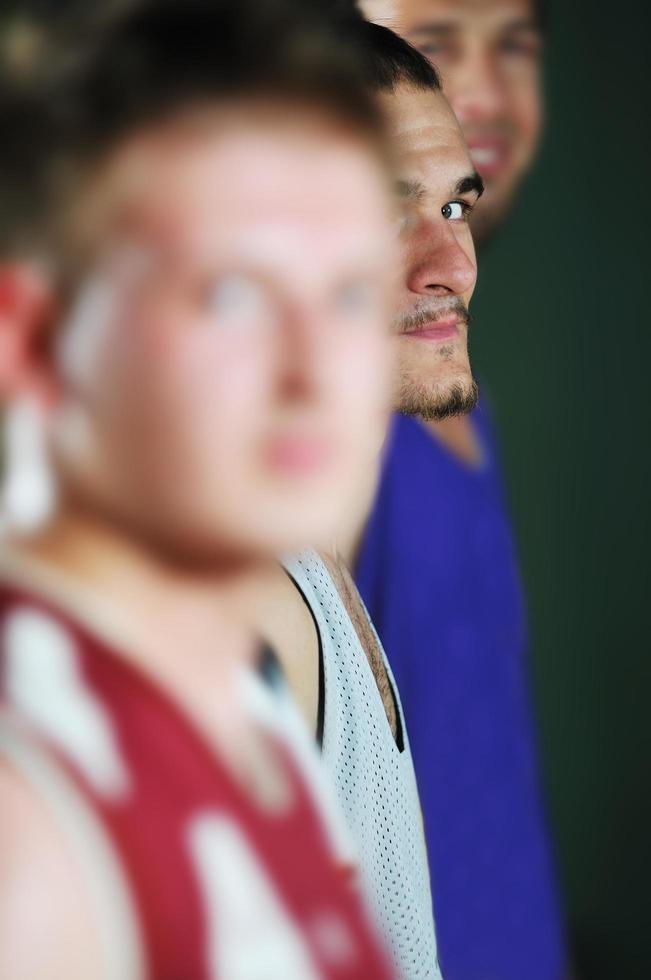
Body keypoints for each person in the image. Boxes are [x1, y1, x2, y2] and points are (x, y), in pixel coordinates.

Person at [0, 2, 400, 977]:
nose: (317, 373)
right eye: (231, 292)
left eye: (350, 293)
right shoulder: (30, 826)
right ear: (35, 342)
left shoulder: (244, 720)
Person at [343, 5, 568, 979]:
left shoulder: (446, 382)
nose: (478, 89)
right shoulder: (324, 454)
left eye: (514, 41)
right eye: (433, 40)